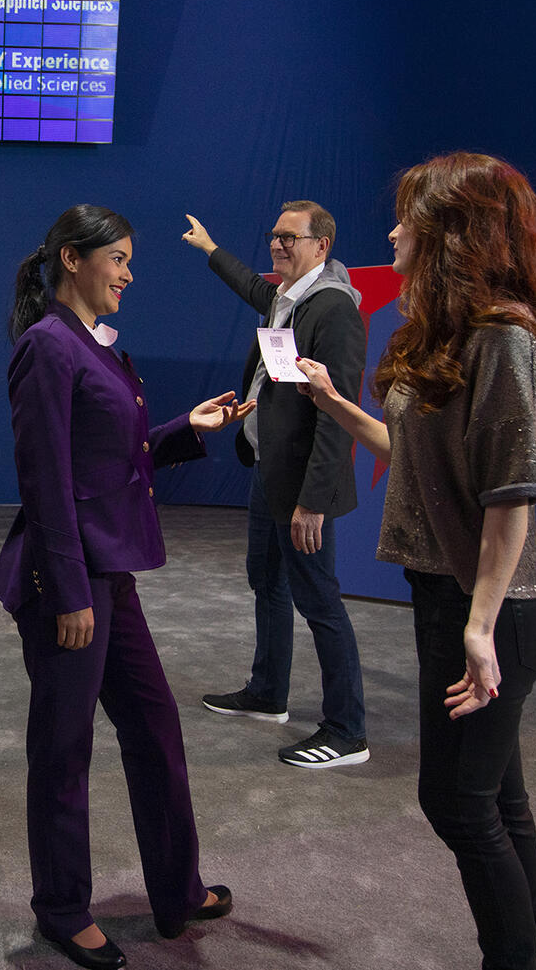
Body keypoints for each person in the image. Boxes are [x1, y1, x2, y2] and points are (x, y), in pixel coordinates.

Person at [295, 152, 536, 970]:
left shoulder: (505, 337)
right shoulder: (452, 333)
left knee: (457, 802)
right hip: (455, 603)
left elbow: (512, 495)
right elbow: (410, 454)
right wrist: (335, 402)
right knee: (496, 799)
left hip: (490, 612)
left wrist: (479, 627)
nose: (392, 231)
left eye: (408, 217)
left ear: (454, 230)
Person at [0, 204, 250, 970]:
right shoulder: (47, 346)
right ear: (73, 258)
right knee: (63, 747)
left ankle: (178, 887)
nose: (129, 275)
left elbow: (113, 454)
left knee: (155, 726)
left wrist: (185, 429)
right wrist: (68, 590)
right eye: (119, 259)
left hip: (110, 573)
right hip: (70, 579)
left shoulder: (89, 345)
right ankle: (62, 909)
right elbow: (46, 477)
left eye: (131, 261)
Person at [182, 203, 370, 769]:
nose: (277, 244)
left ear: (322, 246)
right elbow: (252, 286)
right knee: (266, 581)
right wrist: (211, 248)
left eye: (290, 237)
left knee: (319, 599)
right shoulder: (288, 297)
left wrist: (313, 501)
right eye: (275, 235)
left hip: (301, 487)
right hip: (270, 470)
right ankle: (268, 693)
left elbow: (338, 414)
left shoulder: (334, 310)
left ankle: (347, 731)